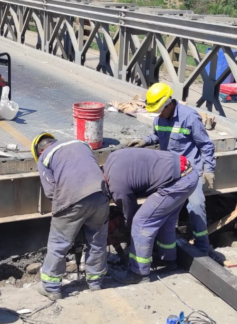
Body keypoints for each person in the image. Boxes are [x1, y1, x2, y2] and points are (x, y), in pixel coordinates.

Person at [127, 83, 216, 252]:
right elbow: (157, 135)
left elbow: (206, 145)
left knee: (196, 205)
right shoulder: (159, 118)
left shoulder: (189, 118)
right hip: (169, 171)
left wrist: (209, 170)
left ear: (169, 104)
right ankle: (166, 251)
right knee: (164, 208)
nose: (158, 114)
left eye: (160, 110)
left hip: (190, 171)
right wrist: (145, 140)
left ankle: (203, 245)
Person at [32, 133, 110, 300]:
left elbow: (51, 191)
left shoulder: (44, 157)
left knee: (59, 244)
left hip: (71, 199)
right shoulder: (80, 144)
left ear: (39, 151)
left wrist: (66, 213)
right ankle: (95, 283)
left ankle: (52, 288)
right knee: (97, 242)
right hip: (100, 195)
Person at [104, 148, 199, 284]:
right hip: (186, 172)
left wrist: (126, 228)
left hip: (177, 183)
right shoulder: (111, 159)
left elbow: (130, 214)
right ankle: (168, 260)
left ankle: (138, 274)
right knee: (165, 221)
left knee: (141, 222)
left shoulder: (117, 188)